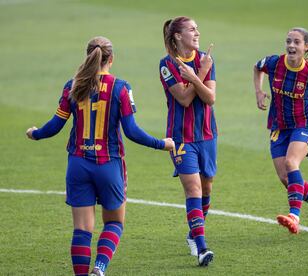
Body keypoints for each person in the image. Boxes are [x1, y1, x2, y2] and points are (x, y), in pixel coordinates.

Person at [26, 36, 174, 276]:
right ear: (111, 59)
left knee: (82, 230)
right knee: (114, 222)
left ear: (88, 57)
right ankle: (100, 267)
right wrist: (162, 144)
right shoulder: (121, 87)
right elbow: (132, 131)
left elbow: (55, 125)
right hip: (109, 165)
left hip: (78, 164)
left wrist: (35, 134)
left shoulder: (72, 86)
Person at [253, 27, 308, 234]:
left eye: (296, 42)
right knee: (286, 178)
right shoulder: (273, 63)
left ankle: (294, 217)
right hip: (280, 124)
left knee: (291, 163)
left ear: (306, 47)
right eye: (288, 41)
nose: (291, 45)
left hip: (304, 122)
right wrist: (259, 91)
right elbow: (257, 67)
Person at [159, 16, 217, 266]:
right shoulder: (166, 64)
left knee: (206, 189)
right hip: (181, 137)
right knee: (193, 189)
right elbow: (182, 99)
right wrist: (199, 75)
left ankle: (193, 232)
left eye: (197, 29)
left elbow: (210, 98)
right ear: (178, 36)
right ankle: (202, 247)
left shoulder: (205, 60)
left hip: (206, 134)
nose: (197, 33)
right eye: (192, 30)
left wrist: (197, 75)